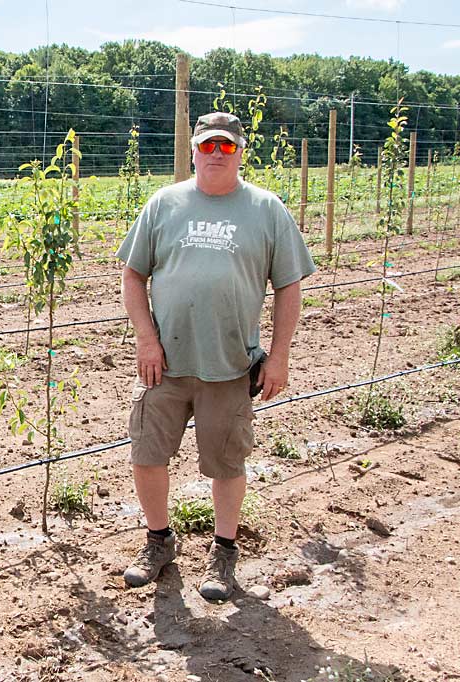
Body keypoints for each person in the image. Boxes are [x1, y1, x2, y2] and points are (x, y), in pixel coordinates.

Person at [114, 111, 316, 601]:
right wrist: (146, 338)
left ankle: (224, 553)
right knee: (146, 453)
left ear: (240, 151)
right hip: (164, 363)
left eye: (226, 147)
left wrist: (281, 356)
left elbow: (289, 286)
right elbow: (132, 275)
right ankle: (159, 542)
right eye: (208, 146)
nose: (216, 155)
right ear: (194, 151)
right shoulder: (164, 204)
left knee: (226, 462)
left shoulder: (266, 210)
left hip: (229, 364)